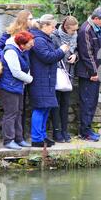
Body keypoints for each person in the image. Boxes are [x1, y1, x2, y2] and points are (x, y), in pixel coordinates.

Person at [29, 14, 69, 148]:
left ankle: (42, 136)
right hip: (40, 80)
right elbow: (47, 57)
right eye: (52, 27)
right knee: (40, 108)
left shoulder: (44, 38)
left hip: (47, 79)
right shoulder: (38, 40)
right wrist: (61, 51)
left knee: (46, 108)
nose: (54, 29)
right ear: (44, 26)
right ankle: (36, 139)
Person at [76, 7, 101, 142]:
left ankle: (88, 129)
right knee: (87, 102)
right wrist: (94, 72)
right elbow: (87, 54)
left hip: (97, 71)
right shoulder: (85, 30)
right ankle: (84, 132)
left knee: (93, 102)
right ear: (96, 18)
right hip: (88, 74)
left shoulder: (98, 28)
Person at [0, 31, 35, 150]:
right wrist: (30, 79)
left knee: (19, 112)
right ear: (22, 44)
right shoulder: (11, 52)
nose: (32, 45)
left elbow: (25, 67)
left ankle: (19, 139)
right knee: (11, 113)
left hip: (17, 86)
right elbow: (16, 72)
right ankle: (8, 140)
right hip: (9, 87)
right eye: (30, 43)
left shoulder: (21, 50)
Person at [50, 16, 79, 143]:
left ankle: (65, 131)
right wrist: (63, 52)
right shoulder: (54, 36)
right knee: (56, 104)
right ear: (66, 28)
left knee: (65, 104)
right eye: (72, 30)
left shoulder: (75, 36)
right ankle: (57, 132)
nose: (74, 32)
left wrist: (75, 56)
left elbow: (77, 50)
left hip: (69, 74)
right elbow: (52, 54)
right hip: (57, 74)